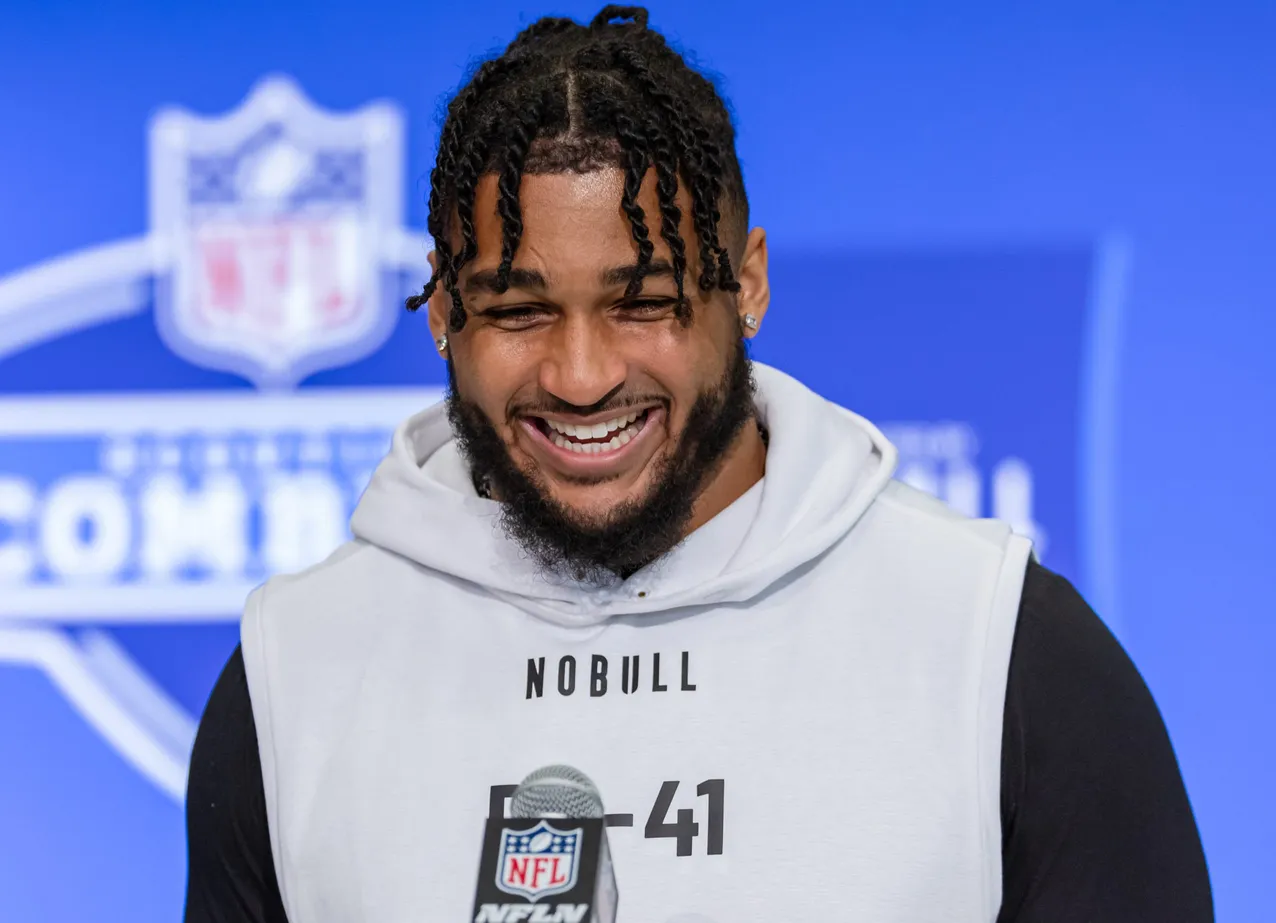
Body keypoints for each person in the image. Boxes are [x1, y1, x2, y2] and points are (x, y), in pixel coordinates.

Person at [184, 6, 1213, 921]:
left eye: (644, 302)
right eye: (518, 308)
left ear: (748, 284)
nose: (581, 375)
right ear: (444, 309)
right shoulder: (297, 671)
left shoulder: (995, 648)